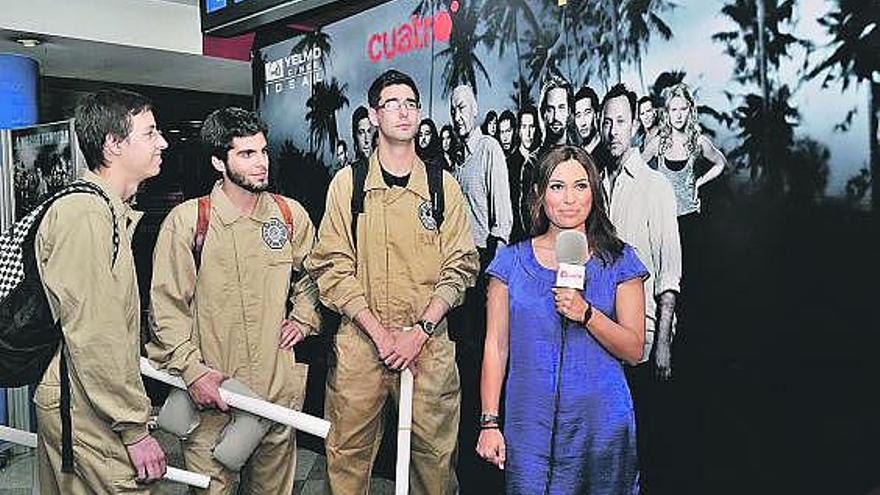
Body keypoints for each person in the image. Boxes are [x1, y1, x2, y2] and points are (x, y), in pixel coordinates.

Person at [305, 69, 479, 495]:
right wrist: (381, 335)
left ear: (420, 114)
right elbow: (332, 265)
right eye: (392, 104)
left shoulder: (444, 188)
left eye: (411, 104)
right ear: (373, 115)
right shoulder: (348, 185)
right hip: (363, 345)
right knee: (346, 460)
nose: (403, 112)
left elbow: (461, 265)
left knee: (435, 465)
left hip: (427, 346)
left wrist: (419, 332)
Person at [147, 107, 321, 494]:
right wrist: (192, 373)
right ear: (217, 161)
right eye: (246, 154)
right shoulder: (188, 222)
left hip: (275, 396)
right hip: (214, 397)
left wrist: (304, 317)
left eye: (263, 152)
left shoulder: (289, 215)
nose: (261, 164)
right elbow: (166, 310)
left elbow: (315, 275)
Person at [477, 145, 648, 494]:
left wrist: (586, 313)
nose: (570, 198)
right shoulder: (509, 263)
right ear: (540, 195)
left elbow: (633, 349)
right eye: (557, 186)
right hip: (530, 430)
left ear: (594, 192)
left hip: (602, 430)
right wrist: (489, 421)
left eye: (580, 186)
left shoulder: (620, 260)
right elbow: (496, 347)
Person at [33, 89, 168, 493]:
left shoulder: (105, 210)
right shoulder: (86, 214)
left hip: (87, 404)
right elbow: (94, 333)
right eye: (150, 132)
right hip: (87, 411)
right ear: (113, 145)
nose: (162, 142)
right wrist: (134, 428)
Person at [602, 83, 682, 495]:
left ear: (635, 125)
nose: (614, 129)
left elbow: (670, 273)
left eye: (621, 121)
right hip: (602, 336)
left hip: (645, 335)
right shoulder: (596, 186)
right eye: (607, 121)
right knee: (613, 447)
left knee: (647, 444)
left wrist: (664, 341)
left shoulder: (655, 187)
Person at [449, 83, 513, 493]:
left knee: (488, 361)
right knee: (465, 364)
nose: (458, 115)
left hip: (485, 263)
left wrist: (495, 276)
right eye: (454, 109)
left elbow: (502, 221)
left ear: (476, 110)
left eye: (464, 108)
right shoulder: (454, 159)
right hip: (459, 269)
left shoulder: (490, 149)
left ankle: (493, 461)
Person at [641, 82, 727, 218]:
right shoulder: (658, 143)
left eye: (683, 109)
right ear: (667, 112)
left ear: (690, 110)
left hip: (691, 216)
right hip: (664, 219)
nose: (678, 115)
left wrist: (699, 182)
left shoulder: (699, 142)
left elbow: (721, 162)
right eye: (674, 110)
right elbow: (635, 169)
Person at [538, 76, 573, 156]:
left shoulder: (579, 156)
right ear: (544, 114)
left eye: (561, 108)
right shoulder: (533, 162)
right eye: (550, 109)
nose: (556, 117)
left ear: (569, 111)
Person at [573, 85, 602, 154]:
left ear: (596, 114)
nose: (583, 123)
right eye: (578, 115)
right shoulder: (577, 153)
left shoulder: (608, 149)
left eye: (587, 113)